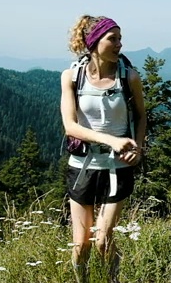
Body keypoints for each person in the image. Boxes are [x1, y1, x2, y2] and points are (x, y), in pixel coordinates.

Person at [60, 15, 147, 283]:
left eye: (120, 38)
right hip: (82, 166)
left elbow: (142, 116)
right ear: (94, 41)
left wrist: (138, 148)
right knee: (80, 245)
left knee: (102, 241)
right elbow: (70, 127)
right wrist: (112, 140)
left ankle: (113, 279)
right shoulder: (72, 77)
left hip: (117, 166)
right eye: (113, 38)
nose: (120, 44)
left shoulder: (128, 77)